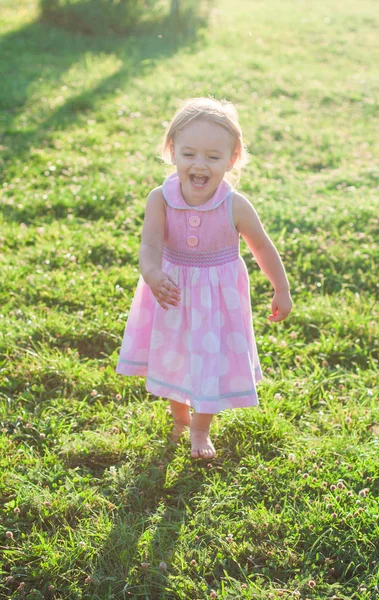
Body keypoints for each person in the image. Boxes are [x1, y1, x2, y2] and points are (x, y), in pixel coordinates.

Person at [115, 97, 292, 460]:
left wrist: (281, 288)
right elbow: (149, 245)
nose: (200, 165)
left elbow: (262, 247)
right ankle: (178, 415)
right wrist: (152, 273)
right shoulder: (160, 199)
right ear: (172, 152)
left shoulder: (235, 205)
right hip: (173, 295)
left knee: (210, 360)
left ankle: (200, 427)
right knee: (173, 354)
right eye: (190, 154)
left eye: (213, 157)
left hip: (217, 301)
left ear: (231, 159)